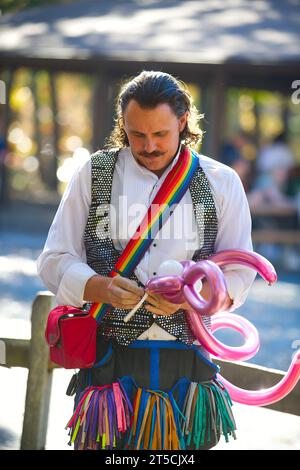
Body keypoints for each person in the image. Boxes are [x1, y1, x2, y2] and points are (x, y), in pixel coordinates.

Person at [37, 71, 256, 451]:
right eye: (137, 134)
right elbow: (53, 260)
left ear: (183, 120)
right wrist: (96, 286)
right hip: (109, 364)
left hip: (189, 368)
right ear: (123, 124)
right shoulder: (94, 173)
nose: (149, 145)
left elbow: (239, 272)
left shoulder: (221, 181)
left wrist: (194, 298)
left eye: (160, 135)